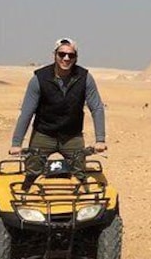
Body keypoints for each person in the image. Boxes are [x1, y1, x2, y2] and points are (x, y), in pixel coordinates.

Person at [9, 38, 107, 186]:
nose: (66, 58)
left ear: (76, 58)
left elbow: (97, 107)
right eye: (62, 54)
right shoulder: (39, 79)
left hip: (71, 136)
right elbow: (27, 112)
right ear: (54, 55)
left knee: (80, 177)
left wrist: (100, 139)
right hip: (44, 134)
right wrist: (16, 143)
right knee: (32, 175)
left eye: (71, 55)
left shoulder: (85, 77)